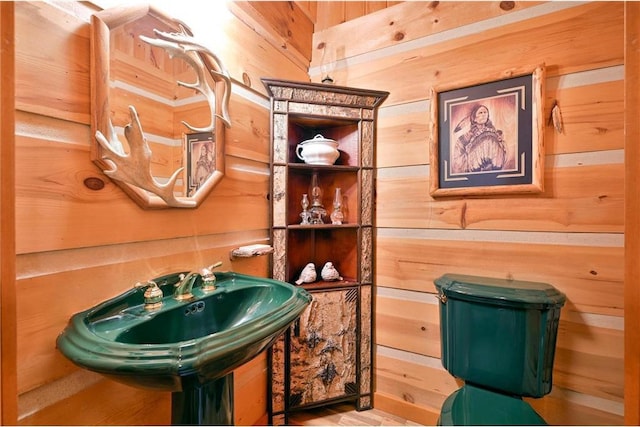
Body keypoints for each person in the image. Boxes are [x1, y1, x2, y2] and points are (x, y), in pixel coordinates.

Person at [452, 104, 507, 173]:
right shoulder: (466, 137)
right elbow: (458, 155)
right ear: (474, 118)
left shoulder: (494, 133)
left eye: (485, 112)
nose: (483, 114)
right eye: (480, 113)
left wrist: (500, 142)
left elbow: (502, 151)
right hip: (475, 167)